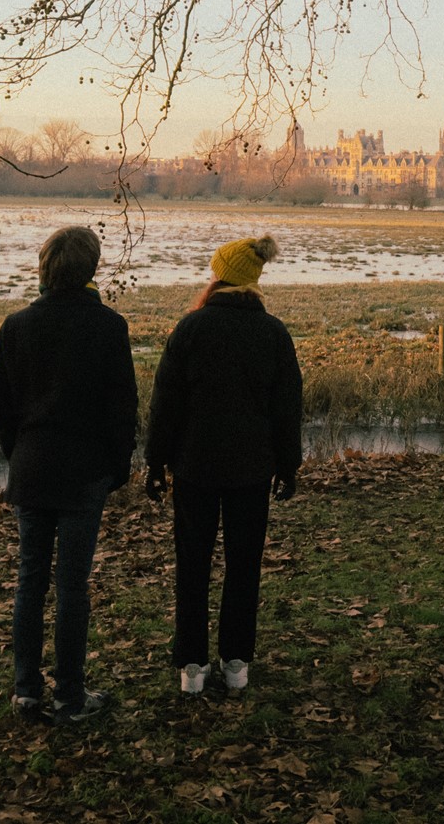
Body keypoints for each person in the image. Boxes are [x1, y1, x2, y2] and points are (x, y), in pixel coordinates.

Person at [0, 226, 137, 725]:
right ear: (91, 268)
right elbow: (123, 410)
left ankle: (26, 692)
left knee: (30, 580)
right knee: (73, 585)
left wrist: (19, 453)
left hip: (32, 466)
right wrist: (116, 469)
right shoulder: (109, 327)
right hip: (84, 472)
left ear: (46, 267)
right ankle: (70, 697)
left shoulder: (17, 325)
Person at [144, 235, 303, 696]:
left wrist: (156, 463)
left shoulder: (190, 329)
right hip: (252, 470)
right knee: (244, 564)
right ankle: (236, 664)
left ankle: (192, 668)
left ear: (219, 278)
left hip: (194, 467)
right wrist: (288, 467)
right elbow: (287, 408)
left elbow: (165, 406)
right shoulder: (273, 333)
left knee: (192, 563)